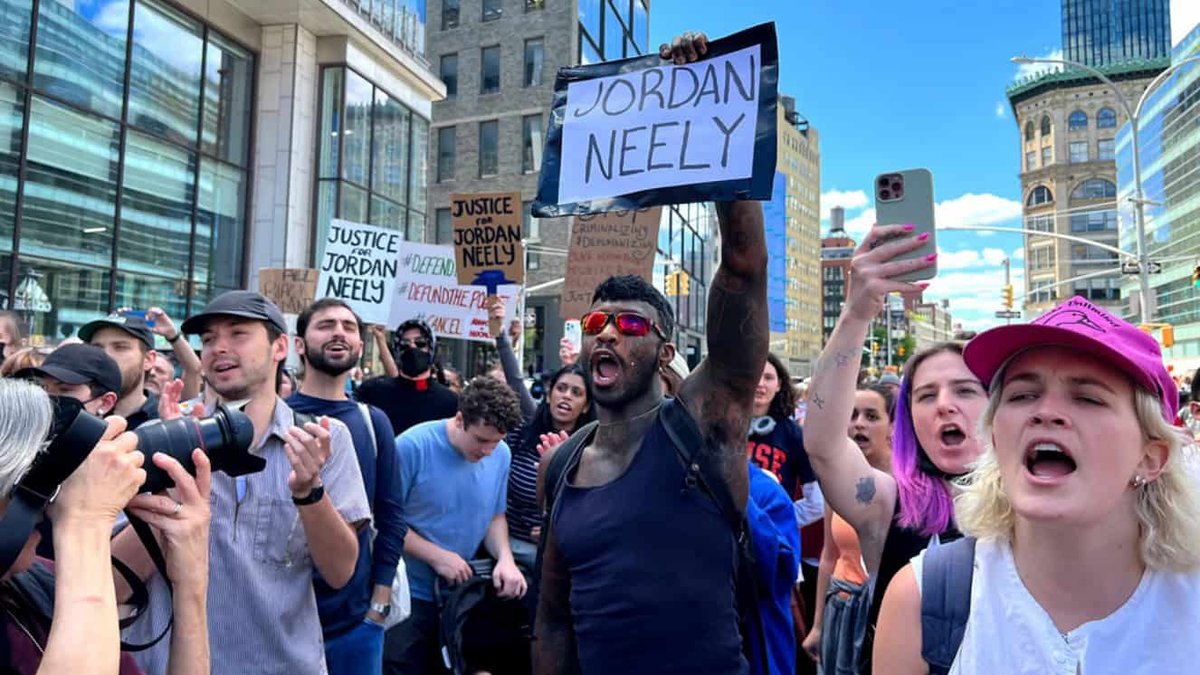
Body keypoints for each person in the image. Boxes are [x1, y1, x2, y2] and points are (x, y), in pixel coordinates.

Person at [534, 33, 767, 673]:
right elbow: (554, 617)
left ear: (665, 350)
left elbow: (743, 271)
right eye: (597, 322)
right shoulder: (565, 468)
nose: (606, 332)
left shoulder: (705, 424)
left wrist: (716, 105)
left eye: (629, 326)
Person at [874, 296, 1200, 674]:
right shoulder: (922, 598)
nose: (1045, 412)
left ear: (1151, 457)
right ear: (995, 438)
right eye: (1023, 395)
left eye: (1088, 398)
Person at [125, 290, 371, 675]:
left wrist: (310, 493)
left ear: (280, 348)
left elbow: (340, 572)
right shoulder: (165, 434)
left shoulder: (322, 438)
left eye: (238, 334)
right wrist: (171, 482)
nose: (219, 348)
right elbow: (117, 581)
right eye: (208, 340)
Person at [802, 223, 985, 673]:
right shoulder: (890, 504)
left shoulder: (1042, 503)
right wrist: (856, 314)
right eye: (925, 395)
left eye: (964, 390)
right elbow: (825, 445)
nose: (944, 405)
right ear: (909, 421)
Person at [0, 378, 211, 675]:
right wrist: (86, 520)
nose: (49, 496)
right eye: (31, 476)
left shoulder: (38, 582)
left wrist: (190, 585)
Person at [289, 298, 405, 675]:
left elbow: (391, 515)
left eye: (349, 326)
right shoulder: (274, 419)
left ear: (358, 346)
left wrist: (379, 604)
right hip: (279, 621)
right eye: (325, 325)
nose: (339, 331)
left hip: (354, 624)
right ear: (299, 345)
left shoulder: (374, 423)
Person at [384, 376, 526, 675]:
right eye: (481, 440)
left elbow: (494, 515)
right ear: (460, 419)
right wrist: (437, 556)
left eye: (496, 441)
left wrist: (505, 559)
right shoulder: (412, 447)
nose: (488, 451)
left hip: (460, 598)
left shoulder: (501, 454)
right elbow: (384, 520)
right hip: (409, 595)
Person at [488, 297, 594, 569]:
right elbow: (513, 380)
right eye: (561, 389)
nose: (566, 397)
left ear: (586, 407)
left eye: (576, 392)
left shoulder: (592, 446)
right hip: (506, 550)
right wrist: (500, 335)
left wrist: (556, 529)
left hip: (560, 558)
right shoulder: (526, 430)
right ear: (549, 394)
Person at [803, 384, 895, 672]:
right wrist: (818, 624)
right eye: (852, 415)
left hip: (885, 614)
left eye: (871, 416)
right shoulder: (838, 485)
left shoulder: (908, 485)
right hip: (840, 609)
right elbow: (829, 555)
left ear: (892, 426)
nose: (858, 424)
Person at [79, 308, 201, 430]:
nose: (106, 356)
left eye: (120, 347)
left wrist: (173, 335)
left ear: (148, 359)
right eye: (97, 348)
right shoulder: (78, 417)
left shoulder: (165, 422)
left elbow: (194, 369)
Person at [358, 319, 458, 435]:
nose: (412, 348)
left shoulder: (450, 402)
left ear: (432, 349)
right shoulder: (372, 391)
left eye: (420, 343)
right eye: (404, 345)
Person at [15, 343, 121, 417]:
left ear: (106, 402)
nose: (47, 398)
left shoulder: (121, 447)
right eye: (43, 387)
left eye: (64, 390)